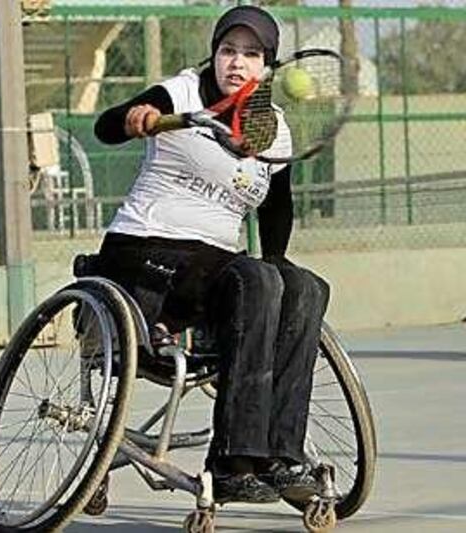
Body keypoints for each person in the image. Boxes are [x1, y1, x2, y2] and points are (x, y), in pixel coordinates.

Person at [92, 6, 328, 503]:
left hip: (214, 272)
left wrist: (280, 263)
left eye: (250, 54)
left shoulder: (273, 129)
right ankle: (231, 462)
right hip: (143, 255)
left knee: (305, 287)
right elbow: (106, 127)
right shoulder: (180, 92)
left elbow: (276, 208)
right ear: (214, 54)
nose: (236, 63)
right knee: (255, 279)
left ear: (267, 66)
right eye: (227, 51)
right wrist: (136, 119)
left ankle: (282, 455)